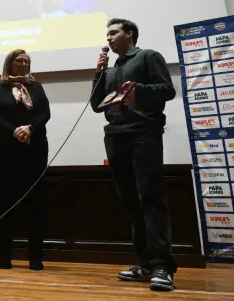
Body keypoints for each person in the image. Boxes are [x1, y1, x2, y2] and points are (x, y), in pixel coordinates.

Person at [90, 18, 177, 292]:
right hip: (115, 136)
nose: (108, 38)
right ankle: (145, 263)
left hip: (143, 134)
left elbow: (167, 90)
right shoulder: (111, 69)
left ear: (129, 34)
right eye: (107, 34)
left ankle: (162, 266)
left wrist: (138, 90)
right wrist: (98, 73)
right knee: (131, 202)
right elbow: (96, 105)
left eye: (113, 32)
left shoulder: (148, 56)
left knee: (150, 199)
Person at [0, 49, 50, 271]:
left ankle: (36, 258)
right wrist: (14, 131)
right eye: (19, 60)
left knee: (36, 207)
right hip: (5, 154)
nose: (24, 64)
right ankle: (4, 257)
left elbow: (45, 113)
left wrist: (30, 128)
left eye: (27, 61)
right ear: (10, 63)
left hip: (34, 152)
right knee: (5, 205)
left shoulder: (37, 87)